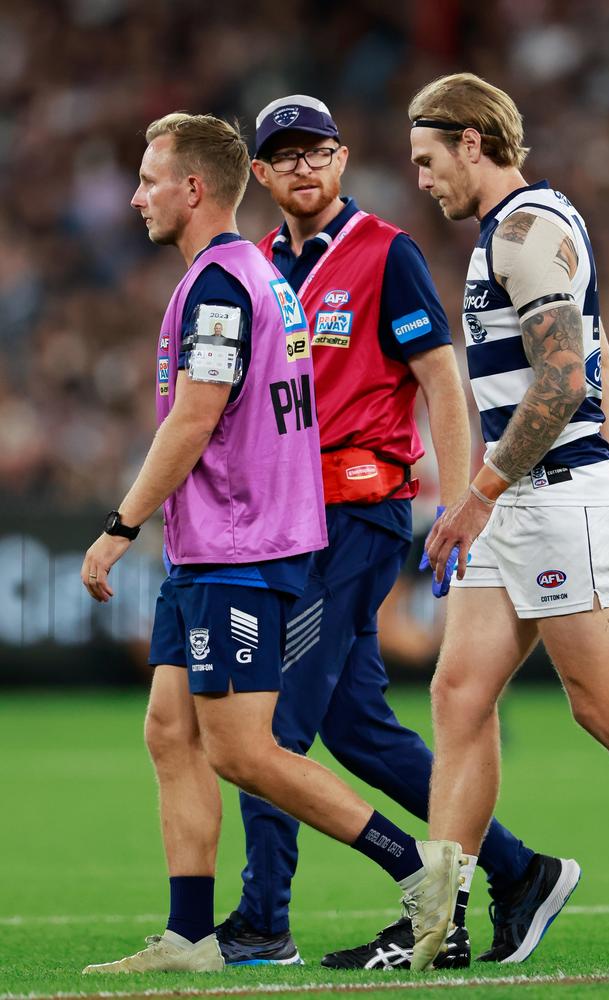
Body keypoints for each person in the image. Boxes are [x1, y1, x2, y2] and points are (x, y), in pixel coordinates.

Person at [79, 111, 462, 974]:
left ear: (193, 188)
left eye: (148, 179)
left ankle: (420, 869)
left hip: (239, 547)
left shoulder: (221, 284)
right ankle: (189, 937)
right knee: (170, 733)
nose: (135, 196)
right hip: (213, 546)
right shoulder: (261, 274)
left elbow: (197, 415)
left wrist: (119, 525)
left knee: (247, 749)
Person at [214, 94, 579, 971]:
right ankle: (518, 870)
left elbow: (442, 387)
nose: (304, 165)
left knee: (269, 724)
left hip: (357, 514)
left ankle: (265, 918)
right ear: (258, 174)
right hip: (284, 524)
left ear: (342, 160)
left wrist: (457, 509)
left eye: (319, 150)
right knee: (359, 731)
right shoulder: (257, 266)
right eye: (285, 154)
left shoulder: (385, 253)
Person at [408, 72, 609, 971]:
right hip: (519, 497)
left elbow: (562, 383)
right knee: (458, 695)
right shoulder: (506, 236)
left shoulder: (528, 230)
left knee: (608, 709)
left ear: (473, 142)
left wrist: (506, 492)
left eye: (429, 160)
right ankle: (440, 923)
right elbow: (604, 363)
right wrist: (596, 469)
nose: (423, 179)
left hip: (537, 496)